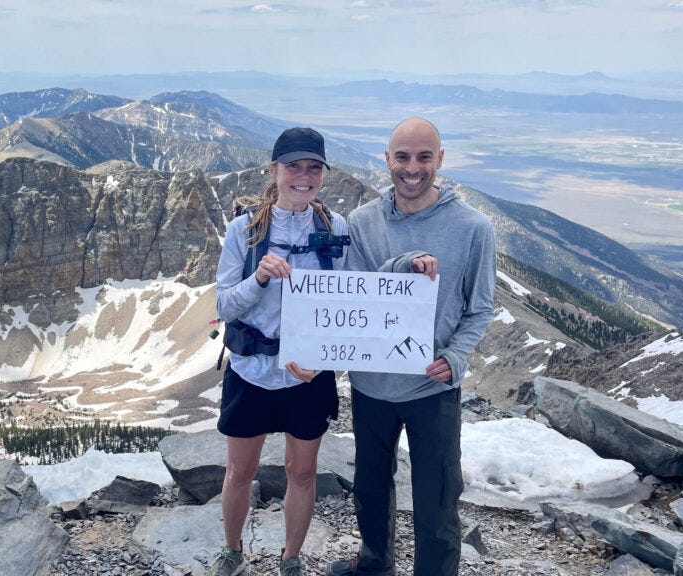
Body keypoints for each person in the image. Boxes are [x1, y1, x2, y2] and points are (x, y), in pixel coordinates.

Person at [326, 117, 496, 576]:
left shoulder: (473, 228)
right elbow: (352, 295)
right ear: (387, 160)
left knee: (438, 497)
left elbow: (480, 308)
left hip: (431, 387)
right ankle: (376, 563)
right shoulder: (362, 223)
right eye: (402, 157)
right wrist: (401, 265)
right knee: (370, 487)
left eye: (424, 157)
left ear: (440, 160)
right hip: (371, 385)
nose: (412, 168)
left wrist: (456, 358)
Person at [210, 127, 347, 576]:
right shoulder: (244, 231)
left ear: (322, 175)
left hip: (308, 376)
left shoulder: (335, 230)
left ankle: (291, 558)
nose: (303, 177)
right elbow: (224, 304)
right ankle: (232, 552)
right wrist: (260, 278)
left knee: (303, 474)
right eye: (293, 166)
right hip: (251, 370)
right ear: (274, 170)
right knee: (239, 473)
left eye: (313, 168)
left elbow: (351, 303)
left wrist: (409, 267)